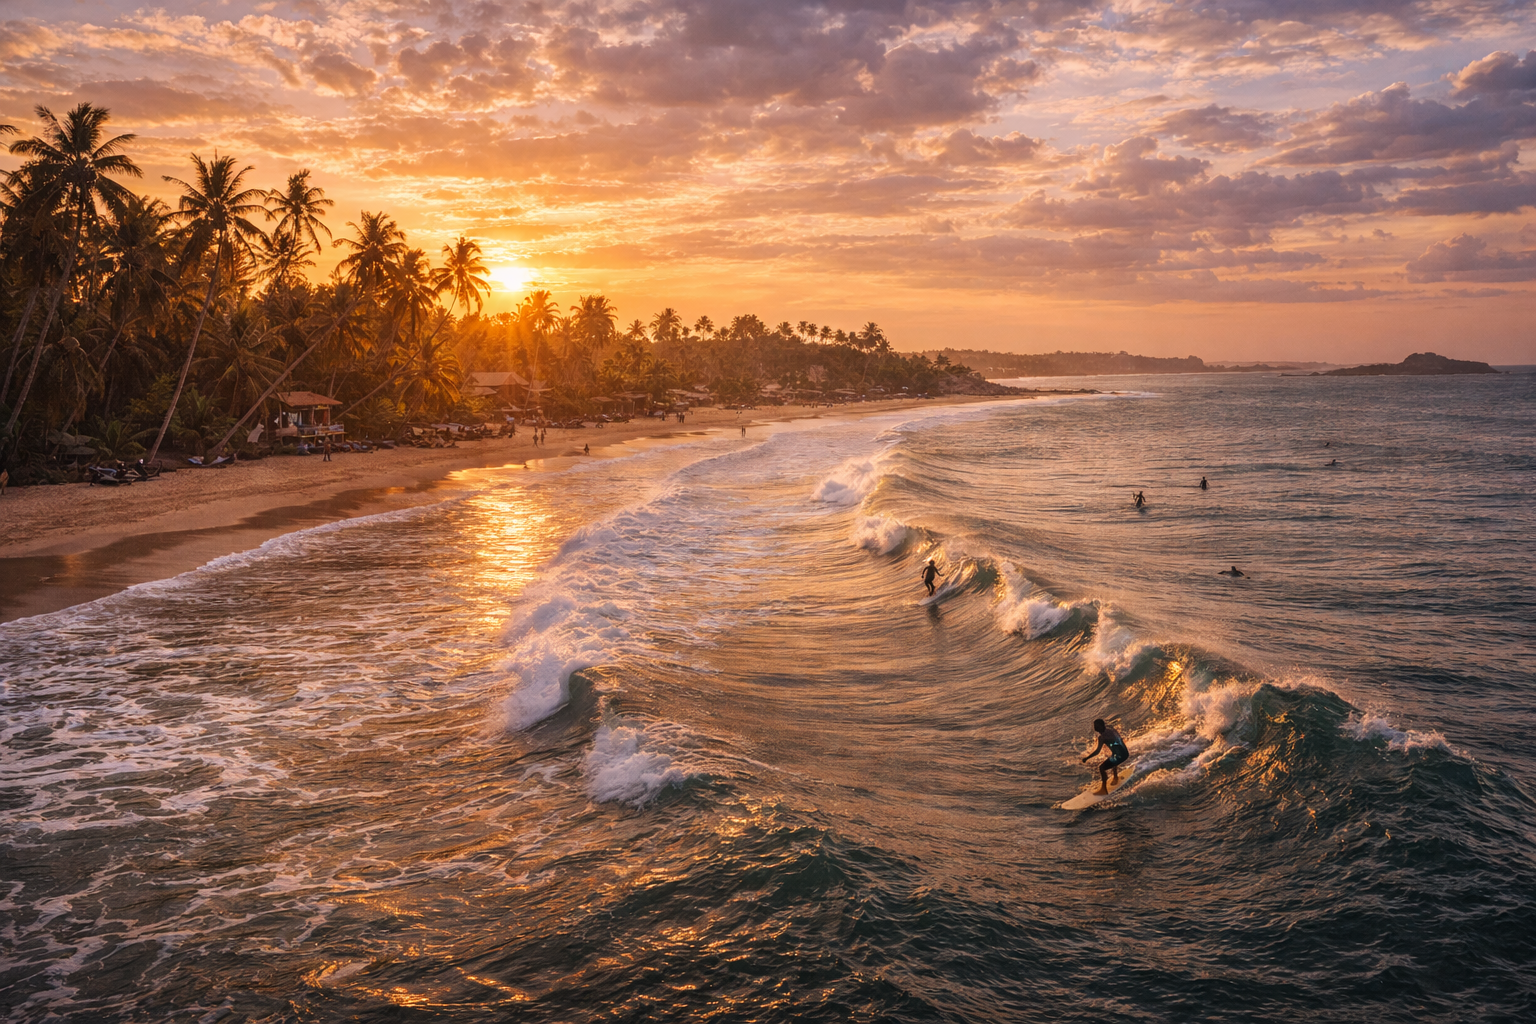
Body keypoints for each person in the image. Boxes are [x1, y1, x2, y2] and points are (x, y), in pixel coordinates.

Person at [1082, 718, 1129, 795]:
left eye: (1096, 726)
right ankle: (1115, 777)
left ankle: (1104, 790)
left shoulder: (1102, 737)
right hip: (1125, 753)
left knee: (1101, 768)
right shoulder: (1111, 730)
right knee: (1113, 756)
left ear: (1100, 726)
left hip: (1121, 756)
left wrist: (1087, 758)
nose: (1094, 728)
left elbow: (1097, 751)